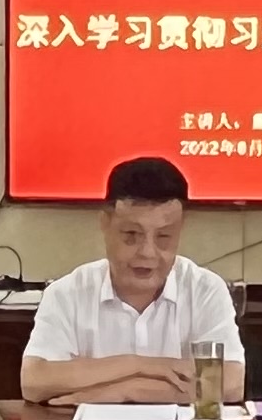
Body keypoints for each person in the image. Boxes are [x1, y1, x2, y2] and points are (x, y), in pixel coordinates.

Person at [18, 156, 245, 404]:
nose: (147, 252)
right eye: (131, 235)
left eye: (164, 237)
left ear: (181, 229)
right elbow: (34, 381)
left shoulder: (205, 290)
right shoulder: (67, 293)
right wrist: (138, 365)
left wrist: (129, 391)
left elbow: (230, 383)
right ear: (105, 224)